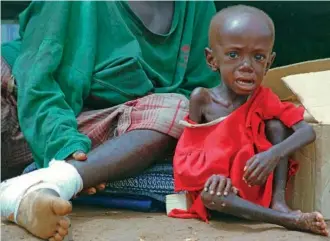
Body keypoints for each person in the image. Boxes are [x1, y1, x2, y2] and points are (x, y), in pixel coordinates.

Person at [0, 1, 219, 240]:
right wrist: (63, 147)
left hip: (91, 123)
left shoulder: (197, 7)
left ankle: (47, 185)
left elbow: (203, 96)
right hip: (21, 101)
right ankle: (45, 184)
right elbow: (38, 81)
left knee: (179, 111)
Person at [168, 5, 329, 236]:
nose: (246, 67)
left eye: (258, 57)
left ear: (269, 62)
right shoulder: (202, 99)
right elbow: (188, 155)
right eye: (233, 55)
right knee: (210, 197)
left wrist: (272, 155)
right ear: (212, 59)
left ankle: (279, 202)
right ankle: (285, 219)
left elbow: (306, 132)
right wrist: (214, 178)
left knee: (276, 126)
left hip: (253, 181)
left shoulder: (264, 98)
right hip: (220, 189)